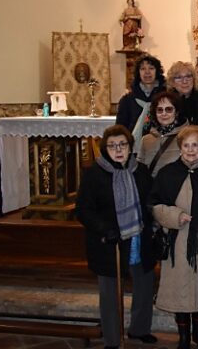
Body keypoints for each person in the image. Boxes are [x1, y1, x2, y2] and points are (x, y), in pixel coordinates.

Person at [76, 124, 157, 349]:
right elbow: (83, 210)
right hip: (109, 242)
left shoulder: (140, 171)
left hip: (139, 238)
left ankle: (139, 329)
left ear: (130, 146)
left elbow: (150, 202)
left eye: (122, 144)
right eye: (112, 146)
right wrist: (104, 229)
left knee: (144, 285)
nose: (118, 149)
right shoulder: (94, 174)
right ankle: (112, 339)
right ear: (105, 149)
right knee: (110, 293)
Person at [150, 125, 198, 349]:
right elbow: (154, 204)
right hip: (178, 241)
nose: (191, 149)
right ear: (180, 148)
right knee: (181, 293)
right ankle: (184, 337)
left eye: (196, 145)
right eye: (187, 145)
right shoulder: (168, 173)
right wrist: (175, 216)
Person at [116, 54, 166, 153]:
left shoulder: (165, 97)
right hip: (133, 149)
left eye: (151, 68)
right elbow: (120, 128)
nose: (147, 72)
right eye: (143, 69)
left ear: (157, 72)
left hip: (160, 148)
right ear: (138, 73)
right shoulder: (127, 99)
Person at [138, 91, 189, 177]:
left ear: (176, 112)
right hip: (152, 188)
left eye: (169, 109)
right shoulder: (146, 139)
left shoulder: (186, 136)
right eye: (160, 110)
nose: (164, 114)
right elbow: (140, 169)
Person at [166, 61, 198, 133]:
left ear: (194, 79)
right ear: (172, 82)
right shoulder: (167, 104)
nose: (184, 81)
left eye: (188, 76)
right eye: (179, 77)